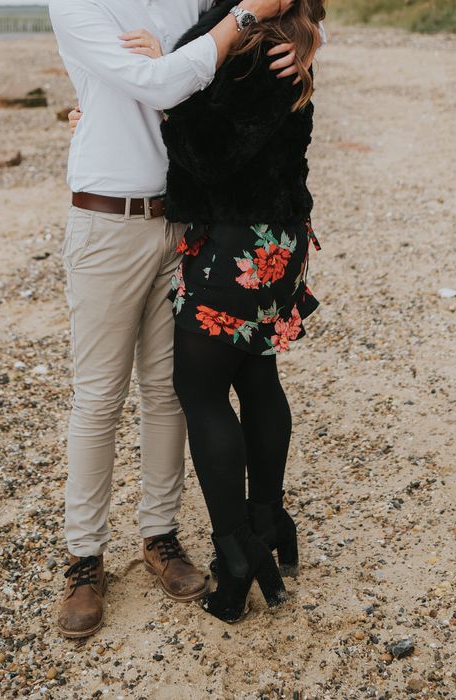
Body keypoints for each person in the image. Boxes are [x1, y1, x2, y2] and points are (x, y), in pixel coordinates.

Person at [48, 0, 303, 639]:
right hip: (106, 219)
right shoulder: (76, 4)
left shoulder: (189, 0)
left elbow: (264, 26)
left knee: (169, 393)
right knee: (99, 397)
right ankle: (85, 557)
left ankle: (160, 536)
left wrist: (308, 37)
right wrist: (247, 16)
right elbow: (162, 81)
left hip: (185, 222)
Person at [155, 0, 325, 622]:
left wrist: (167, 92)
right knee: (256, 374)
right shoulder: (291, 36)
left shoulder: (255, 45)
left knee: (199, 391)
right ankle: (268, 521)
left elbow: (213, 155)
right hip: (277, 239)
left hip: (237, 242)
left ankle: (235, 552)